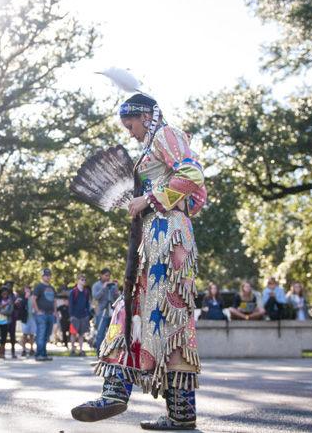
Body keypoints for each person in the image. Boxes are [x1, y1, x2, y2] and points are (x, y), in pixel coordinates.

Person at [72, 92, 207, 430]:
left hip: (168, 239)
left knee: (161, 316)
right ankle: (174, 412)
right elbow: (191, 193)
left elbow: (193, 177)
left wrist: (148, 199)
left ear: (145, 116)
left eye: (129, 123)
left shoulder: (166, 134)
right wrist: (147, 202)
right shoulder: (153, 144)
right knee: (141, 312)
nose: (128, 131)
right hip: (155, 240)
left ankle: (120, 394)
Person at [92, 268, 120, 354]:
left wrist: (115, 287)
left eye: (109, 276)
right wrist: (103, 288)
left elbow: (117, 298)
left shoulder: (111, 285)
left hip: (112, 312)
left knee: (113, 332)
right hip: (102, 312)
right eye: (106, 275)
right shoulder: (96, 285)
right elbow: (96, 297)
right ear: (101, 275)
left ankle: (110, 352)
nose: (108, 278)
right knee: (100, 333)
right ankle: (99, 352)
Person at [32, 268, 57, 361]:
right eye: (46, 275)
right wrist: (37, 311)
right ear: (42, 276)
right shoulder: (39, 287)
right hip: (41, 314)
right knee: (41, 334)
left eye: (49, 275)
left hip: (50, 314)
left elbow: (54, 301)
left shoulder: (52, 288)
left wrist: (55, 311)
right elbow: (33, 299)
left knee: (47, 335)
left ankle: (44, 354)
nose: (48, 277)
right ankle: (39, 354)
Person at [69, 274, 91, 356]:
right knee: (73, 333)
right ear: (78, 280)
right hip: (75, 315)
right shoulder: (73, 292)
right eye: (82, 279)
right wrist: (71, 315)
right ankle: (72, 350)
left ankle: (81, 350)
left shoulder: (86, 292)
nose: (84, 281)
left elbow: (87, 304)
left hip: (83, 316)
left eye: (85, 280)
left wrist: (87, 314)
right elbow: (70, 304)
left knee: (81, 334)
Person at [20, 285, 36, 357]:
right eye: (26, 290)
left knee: (32, 334)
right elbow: (21, 307)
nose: (27, 291)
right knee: (25, 334)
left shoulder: (33, 298)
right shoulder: (22, 298)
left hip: (32, 318)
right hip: (25, 319)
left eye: (28, 290)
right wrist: (25, 299)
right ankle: (23, 350)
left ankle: (31, 349)